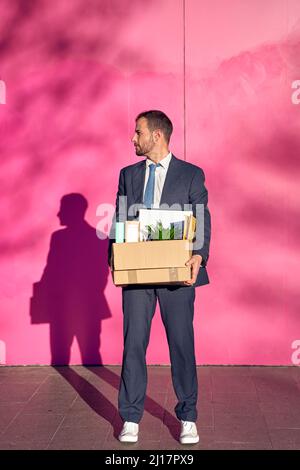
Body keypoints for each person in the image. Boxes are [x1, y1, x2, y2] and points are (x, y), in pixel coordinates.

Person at [108, 110, 211, 444]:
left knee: (181, 345)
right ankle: (131, 417)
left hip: (177, 274)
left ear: (156, 136)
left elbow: (201, 217)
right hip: (137, 274)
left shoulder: (191, 174)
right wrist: (115, 256)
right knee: (133, 344)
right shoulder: (128, 174)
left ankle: (188, 416)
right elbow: (120, 217)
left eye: (137, 132)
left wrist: (199, 254)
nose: (132, 138)